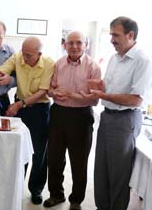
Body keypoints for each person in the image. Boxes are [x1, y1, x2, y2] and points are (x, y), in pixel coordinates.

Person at [0, 36, 55, 205]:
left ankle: (36, 190)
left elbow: (43, 92)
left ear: (39, 54)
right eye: (23, 54)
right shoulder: (18, 57)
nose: (24, 58)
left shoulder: (49, 63)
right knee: (18, 149)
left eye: (29, 55)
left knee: (39, 153)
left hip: (40, 110)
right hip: (21, 109)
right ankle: (16, 187)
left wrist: (20, 104)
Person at [88, 16, 152, 210]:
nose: (111, 40)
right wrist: (100, 86)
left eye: (115, 35)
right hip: (108, 117)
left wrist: (102, 94)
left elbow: (136, 99)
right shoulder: (114, 58)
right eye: (110, 35)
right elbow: (109, 87)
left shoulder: (142, 61)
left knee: (118, 175)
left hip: (125, 120)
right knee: (101, 171)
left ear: (130, 35)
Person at [44, 31, 101, 210]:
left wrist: (70, 95)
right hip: (58, 114)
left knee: (78, 162)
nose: (74, 46)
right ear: (65, 45)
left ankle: (76, 200)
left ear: (86, 45)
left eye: (78, 43)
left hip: (81, 116)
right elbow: (49, 90)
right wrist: (53, 93)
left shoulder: (93, 67)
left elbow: (94, 100)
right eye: (70, 43)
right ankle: (56, 195)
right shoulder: (58, 64)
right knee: (54, 159)